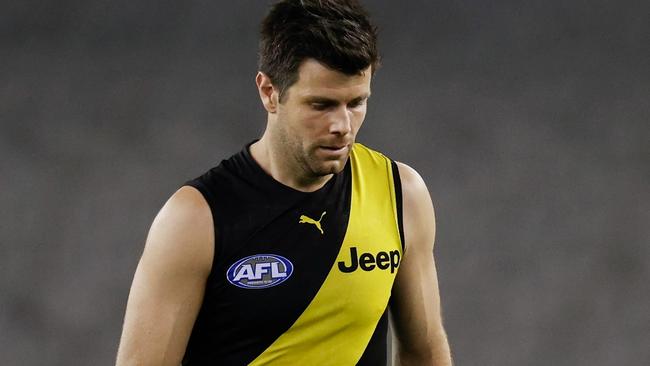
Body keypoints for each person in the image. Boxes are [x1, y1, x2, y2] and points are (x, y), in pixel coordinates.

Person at [115, 0, 452, 365]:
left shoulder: (400, 193)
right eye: (321, 105)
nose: (342, 126)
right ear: (269, 92)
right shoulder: (195, 219)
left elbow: (425, 353)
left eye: (356, 102)